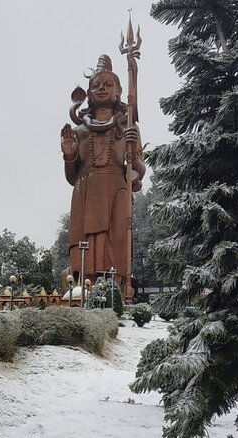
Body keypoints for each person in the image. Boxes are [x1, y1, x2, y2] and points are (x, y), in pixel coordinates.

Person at [61, 54, 146, 301]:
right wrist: (69, 155)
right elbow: (71, 176)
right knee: (83, 243)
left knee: (116, 239)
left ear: (119, 92)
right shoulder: (79, 131)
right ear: (88, 93)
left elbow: (137, 171)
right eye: (96, 85)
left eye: (107, 85)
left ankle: (116, 291)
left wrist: (133, 155)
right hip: (85, 191)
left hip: (116, 192)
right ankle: (82, 288)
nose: (101, 89)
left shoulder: (128, 126)